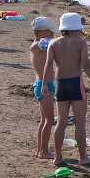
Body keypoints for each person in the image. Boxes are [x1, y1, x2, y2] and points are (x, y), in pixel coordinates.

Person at [42, 12, 90, 165]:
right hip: (76, 83)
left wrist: (44, 85)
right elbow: (86, 65)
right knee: (80, 122)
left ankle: (57, 157)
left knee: (61, 122)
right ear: (77, 27)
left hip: (60, 84)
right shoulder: (81, 42)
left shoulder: (53, 43)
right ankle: (83, 157)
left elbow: (48, 65)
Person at [30, 17, 56, 159]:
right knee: (49, 120)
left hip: (44, 84)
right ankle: (44, 151)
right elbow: (53, 44)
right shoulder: (39, 44)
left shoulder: (38, 44)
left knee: (44, 120)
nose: (51, 34)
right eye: (49, 32)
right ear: (41, 32)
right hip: (43, 85)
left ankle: (40, 149)